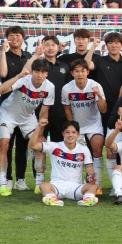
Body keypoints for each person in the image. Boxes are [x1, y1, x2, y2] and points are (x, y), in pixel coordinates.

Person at [0, 59, 54, 196]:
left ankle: (39, 184)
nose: (40, 75)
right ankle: (3, 183)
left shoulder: (49, 87)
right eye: (37, 71)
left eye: (43, 72)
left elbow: (44, 111)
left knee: (41, 144)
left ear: (47, 74)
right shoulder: (23, 80)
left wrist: (40, 128)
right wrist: (18, 76)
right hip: (8, 114)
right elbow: (0, 90)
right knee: (4, 144)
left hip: (28, 118)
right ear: (32, 71)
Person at [85, 32, 122, 192]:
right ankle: (97, 183)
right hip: (100, 111)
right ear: (106, 45)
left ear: (121, 44)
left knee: (117, 149)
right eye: (111, 43)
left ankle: (119, 184)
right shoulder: (100, 60)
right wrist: (93, 46)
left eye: (117, 43)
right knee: (97, 150)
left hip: (121, 111)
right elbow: (87, 65)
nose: (114, 45)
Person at [28, 118, 99, 207]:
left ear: (78, 134)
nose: (70, 135)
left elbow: (89, 168)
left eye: (73, 132)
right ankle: (52, 198)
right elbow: (32, 145)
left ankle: (88, 199)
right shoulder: (54, 146)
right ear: (63, 133)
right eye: (67, 132)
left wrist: (91, 177)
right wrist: (39, 127)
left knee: (93, 186)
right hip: (56, 186)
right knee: (43, 185)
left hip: (75, 187)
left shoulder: (84, 149)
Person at [62, 59, 107, 193]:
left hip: (94, 124)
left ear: (87, 72)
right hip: (78, 127)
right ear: (72, 73)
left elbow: (104, 110)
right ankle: (76, 183)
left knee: (97, 151)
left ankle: (97, 184)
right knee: (79, 154)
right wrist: (74, 130)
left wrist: (99, 95)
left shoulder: (95, 86)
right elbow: (67, 109)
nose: (80, 74)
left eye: (83, 71)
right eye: (77, 71)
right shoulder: (67, 88)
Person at [37, 36, 72, 171]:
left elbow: (69, 88)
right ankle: (38, 180)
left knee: (60, 148)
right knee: (40, 147)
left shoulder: (64, 66)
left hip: (60, 113)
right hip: (41, 113)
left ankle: (61, 176)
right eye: (47, 45)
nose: (50, 48)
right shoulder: (38, 65)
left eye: (53, 45)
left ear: (58, 47)